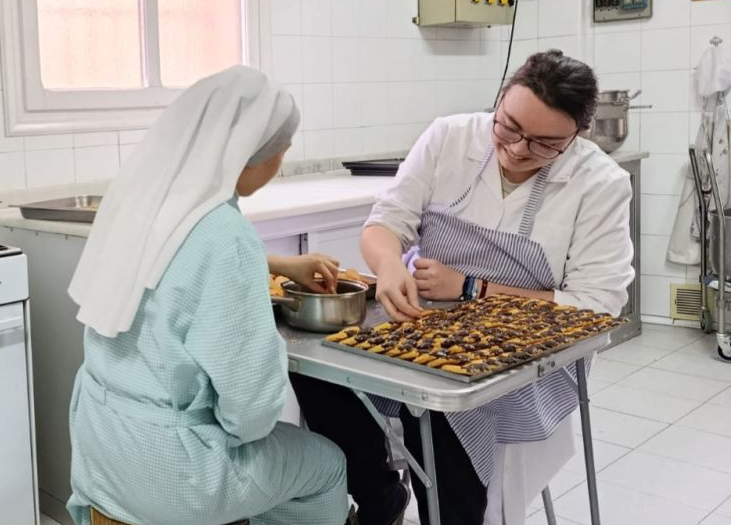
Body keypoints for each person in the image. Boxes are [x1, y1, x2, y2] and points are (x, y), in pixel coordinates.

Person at [293, 50, 634, 525]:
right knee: (322, 375)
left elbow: (595, 307)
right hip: (424, 318)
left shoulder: (600, 183)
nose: (517, 150)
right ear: (499, 101)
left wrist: (472, 287)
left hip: (531, 350)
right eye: (509, 127)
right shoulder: (449, 137)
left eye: (543, 144)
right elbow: (386, 223)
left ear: (576, 136)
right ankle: (378, 494)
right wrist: (389, 263)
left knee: (442, 411)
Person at [66, 66, 350, 525]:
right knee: (325, 466)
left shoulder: (142, 201)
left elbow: (172, 270)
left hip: (99, 449)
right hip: (171, 473)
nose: (284, 158)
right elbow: (251, 410)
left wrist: (276, 264)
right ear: (248, 153)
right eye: (281, 147)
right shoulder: (225, 234)